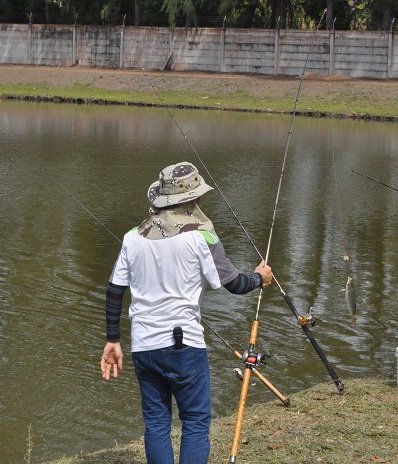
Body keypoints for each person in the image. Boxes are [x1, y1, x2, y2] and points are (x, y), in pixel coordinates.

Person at [100, 161, 273, 464]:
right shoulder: (200, 235)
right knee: (194, 421)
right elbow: (233, 283)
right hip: (184, 346)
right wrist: (260, 278)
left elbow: (115, 290)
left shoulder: (131, 236)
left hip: (143, 346)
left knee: (156, 424)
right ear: (193, 198)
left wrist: (112, 340)